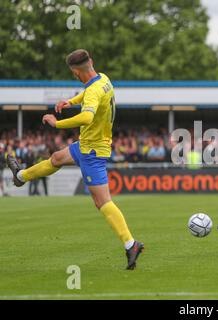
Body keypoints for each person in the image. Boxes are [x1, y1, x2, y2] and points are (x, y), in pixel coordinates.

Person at [6, 49, 144, 269]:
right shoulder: (103, 80)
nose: (75, 77)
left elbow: (88, 115)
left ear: (76, 71)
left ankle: (131, 244)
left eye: (73, 73)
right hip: (87, 145)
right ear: (92, 63)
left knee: (103, 202)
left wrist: (57, 123)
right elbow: (90, 95)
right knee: (56, 158)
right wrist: (70, 101)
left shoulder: (92, 92)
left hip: (92, 151)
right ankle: (21, 175)